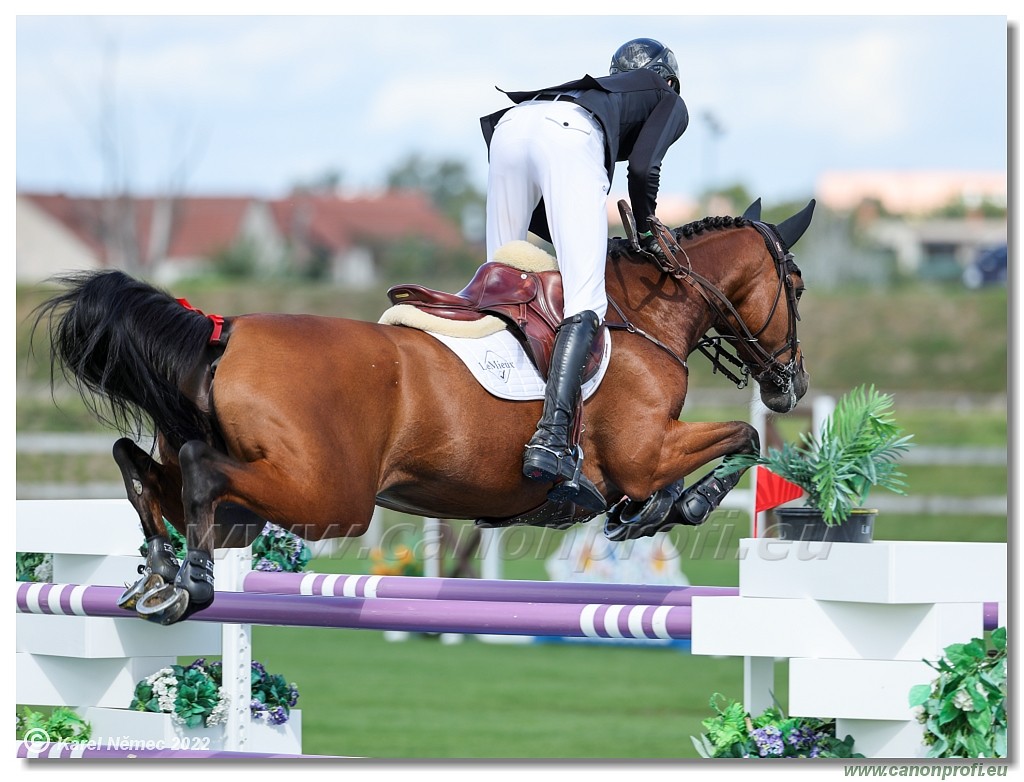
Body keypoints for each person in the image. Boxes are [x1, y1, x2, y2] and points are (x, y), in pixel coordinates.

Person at [480, 37, 689, 512]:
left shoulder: (599, 92)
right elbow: (642, 167)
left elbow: (544, 217)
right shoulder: (669, 96)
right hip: (569, 136)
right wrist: (650, 232)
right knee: (585, 302)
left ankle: (488, 408)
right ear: (668, 77)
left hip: (511, 127)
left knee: (500, 281)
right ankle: (553, 437)